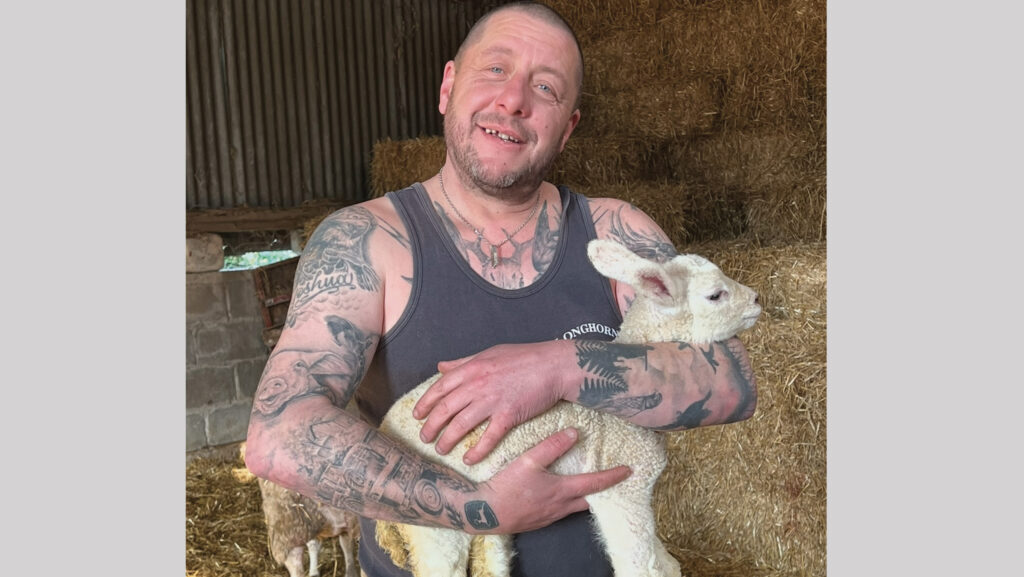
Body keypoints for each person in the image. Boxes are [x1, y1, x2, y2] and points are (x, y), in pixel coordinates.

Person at [244, 2, 757, 576]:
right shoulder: (368, 240)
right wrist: (480, 508)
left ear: (567, 129)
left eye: (546, 87)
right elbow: (279, 434)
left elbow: (732, 382)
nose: (514, 100)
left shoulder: (619, 232)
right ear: (448, 86)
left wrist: (559, 368)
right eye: (495, 69)